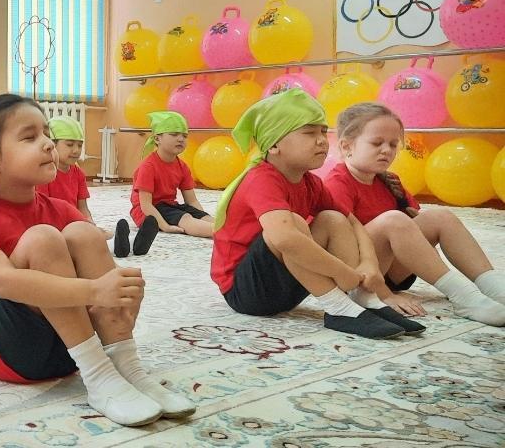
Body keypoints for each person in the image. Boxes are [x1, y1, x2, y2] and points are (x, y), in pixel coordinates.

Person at [0, 93, 197, 427]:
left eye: (47, 134)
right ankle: (99, 377)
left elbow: (107, 294)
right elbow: (3, 282)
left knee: (84, 233)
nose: (47, 144)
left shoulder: (62, 210)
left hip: (71, 351)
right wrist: (95, 291)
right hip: (8, 352)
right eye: (30, 137)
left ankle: (126, 367)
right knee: (43, 237)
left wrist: (124, 296)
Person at [211, 90, 424, 340]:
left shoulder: (311, 182)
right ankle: (338, 308)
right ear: (274, 144)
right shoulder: (261, 179)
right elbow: (284, 239)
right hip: (247, 293)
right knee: (292, 225)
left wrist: (368, 263)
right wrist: (342, 272)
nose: (322, 140)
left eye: (323, 132)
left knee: (333, 218)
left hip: (289, 283)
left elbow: (353, 224)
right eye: (309, 133)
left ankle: (361, 299)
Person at [324, 102, 505, 325]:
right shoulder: (337, 184)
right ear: (346, 146)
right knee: (393, 220)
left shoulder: (389, 181)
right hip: (357, 274)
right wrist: (383, 294)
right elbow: (339, 247)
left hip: (393, 271)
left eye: (393, 144)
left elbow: (417, 227)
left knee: (440, 217)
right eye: (377, 143)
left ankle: (493, 286)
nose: (387, 150)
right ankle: (464, 296)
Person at [128, 111, 213, 246]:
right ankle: (224, 233)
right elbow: (146, 205)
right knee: (185, 218)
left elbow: (192, 201)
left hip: (169, 206)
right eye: (174, 134)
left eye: (184, 136)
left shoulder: (182, 166)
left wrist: (200, 215)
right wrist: (165, 226)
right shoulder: (148, 166)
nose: (181, 139)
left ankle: (226, 228)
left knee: (203, 216)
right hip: (148, 211)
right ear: (157, 139)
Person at [36, 115, 112, 239]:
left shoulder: (79, 174)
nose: (76, 150)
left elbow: (83, 208)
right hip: (51, 226)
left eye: (80, 145)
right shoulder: (44, 174)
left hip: (74, 222)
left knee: (102, 235)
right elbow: (42, 212)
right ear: (51, 145)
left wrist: (89, 223)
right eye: (70, 144)